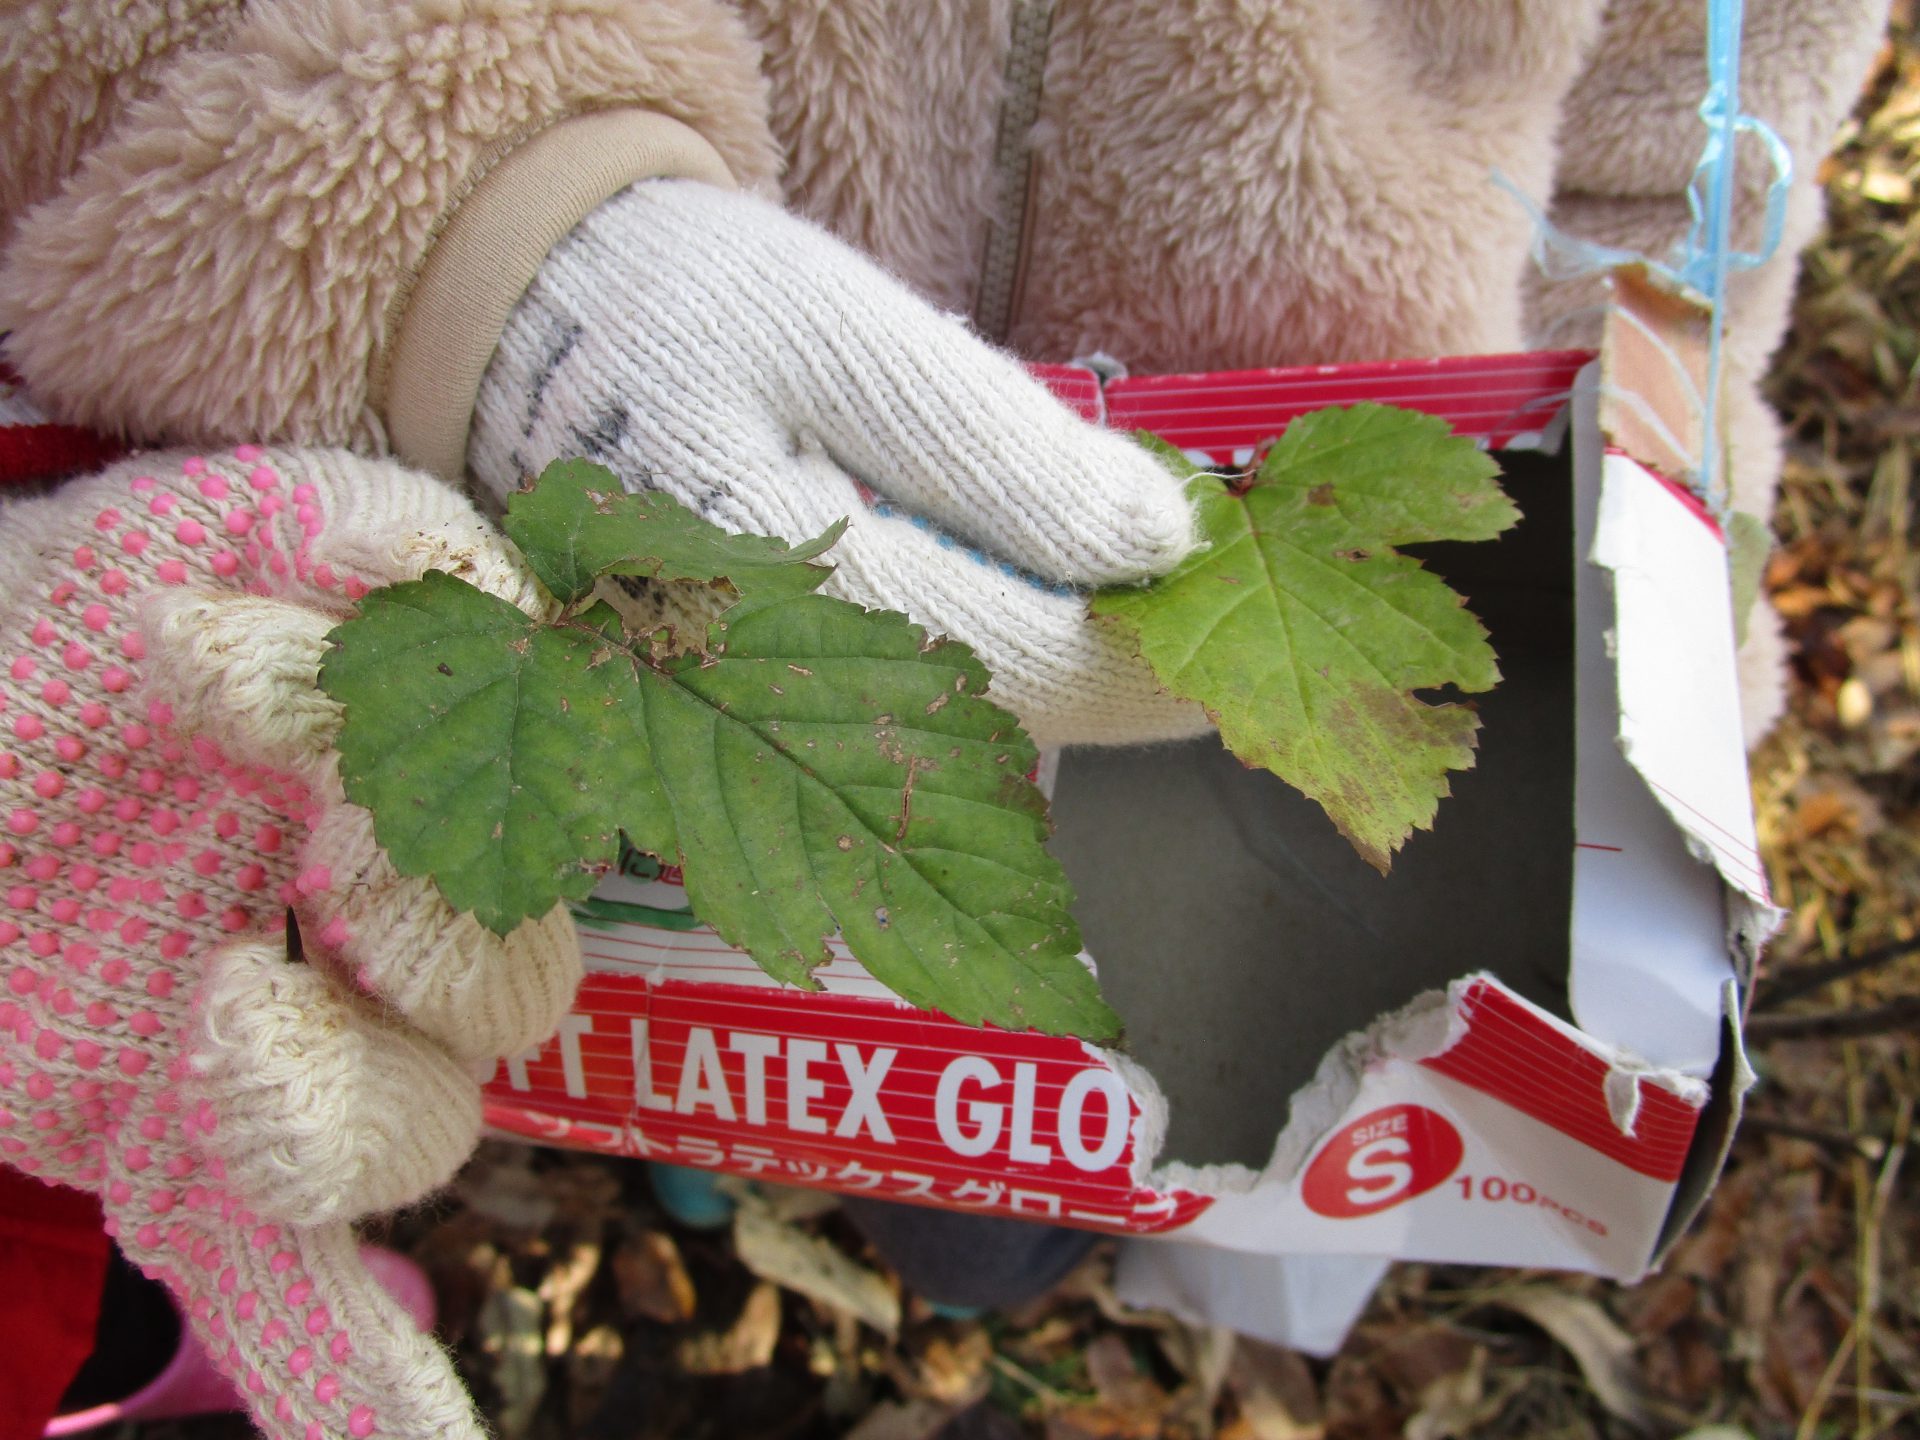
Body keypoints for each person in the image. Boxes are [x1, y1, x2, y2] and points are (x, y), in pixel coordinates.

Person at [0, 2, 1888, 1435]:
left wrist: (1644, 615)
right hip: (582, 550)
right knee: (623, 1008)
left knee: (1032, 1184)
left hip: (1256, 763)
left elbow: (1687, 194)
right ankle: (701, 1157)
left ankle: (950, 1230)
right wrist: (484, 242)